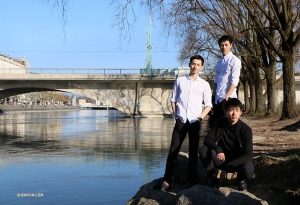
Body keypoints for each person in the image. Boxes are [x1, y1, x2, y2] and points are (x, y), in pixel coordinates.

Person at [152, 55, 212, 191]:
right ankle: (167, 181)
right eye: (193, 64)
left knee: (193, 152)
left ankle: (190, 181)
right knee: (173, 150)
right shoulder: (179, 81)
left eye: (198, 64)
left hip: (195, 121)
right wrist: (176, 116)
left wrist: (200, 117)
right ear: (189, 64)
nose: (195, 66)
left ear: (201, 67)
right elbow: (173, 100)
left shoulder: (204, 85)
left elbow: (208, 105)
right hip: (181, 121)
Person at [199, 98, 254, 191]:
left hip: (238, 162)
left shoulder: (246, 129)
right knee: (203, 150)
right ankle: (213, 179)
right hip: (222, 159)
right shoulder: (219, 123)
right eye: (231, 110)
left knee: (248, 169)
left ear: (240, 112)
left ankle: (241, 181)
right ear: (226, 111)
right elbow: (207, 140)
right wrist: (218, 149)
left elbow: (248, 154)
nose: (234, 113)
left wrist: (229, 166)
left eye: (237, 110)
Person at [210, 35, 241, 127]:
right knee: (217, 125)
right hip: (217, 99)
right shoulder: (219, 62)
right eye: (222, 45)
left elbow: (235, 80)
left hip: (228, 98)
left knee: (227, 125)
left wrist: (227, 95)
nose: (224, 47)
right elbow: (216, 80)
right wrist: (214, 95)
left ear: (231, 45)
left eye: (226, 45)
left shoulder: (235, 60)